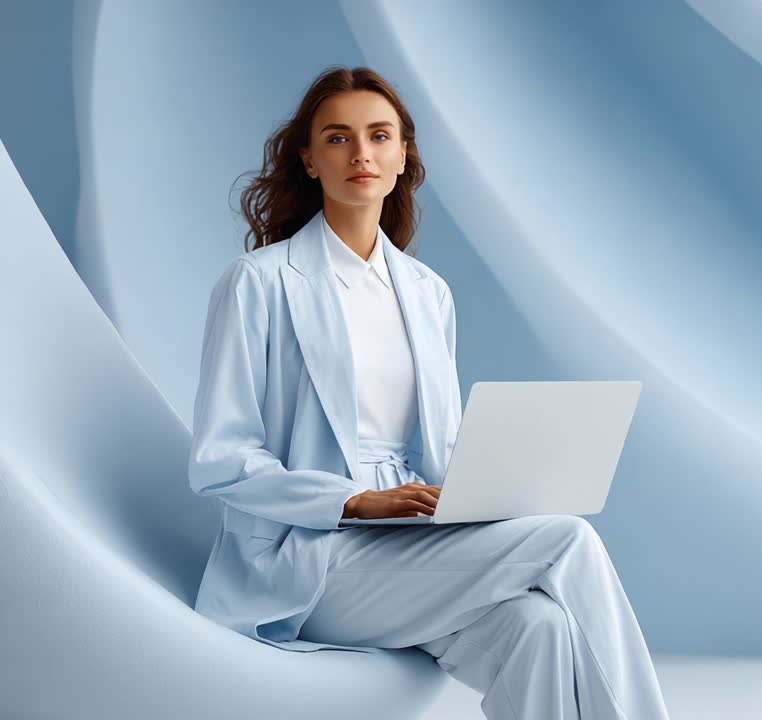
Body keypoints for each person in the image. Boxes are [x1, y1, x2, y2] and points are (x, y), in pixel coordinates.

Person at [188, 65, 670, 720]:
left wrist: (497, 493)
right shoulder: (259, 283)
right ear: (307, 158)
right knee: (568, 540)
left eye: (379, 135)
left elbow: (439, 448)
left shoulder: (427, 293)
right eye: (338, 138)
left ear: (402, 155)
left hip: (416, 542)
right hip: (310, 559)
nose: (361, 153)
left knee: (539, 629)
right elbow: (220, 461)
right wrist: (356, 502)